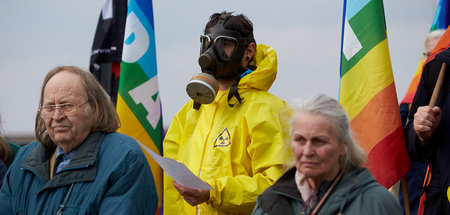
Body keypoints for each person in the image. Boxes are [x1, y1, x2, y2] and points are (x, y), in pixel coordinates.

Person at [163, 11, 293, 214]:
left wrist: (213, 193)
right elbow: (173, 191)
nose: (212, 53)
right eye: (207, 44)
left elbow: (276, 186)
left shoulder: (269, 111)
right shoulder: (190, 112)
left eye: (225, 45)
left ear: (248, 52)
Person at [0, 66, 158, 214]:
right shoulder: (24, 159)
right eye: (49, 107)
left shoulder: (124, 158)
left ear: (94, 109)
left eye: (67, 105)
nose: (57, 116)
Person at [252, 94, 402, 215]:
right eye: (300, 140)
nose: (307, 151)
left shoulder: (376, 203)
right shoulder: (269, 203)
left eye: (319, 141)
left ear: (343, 145)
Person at [398, 29, 445, 215]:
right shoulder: (412, 99)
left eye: (443, 53)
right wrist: (419, 134)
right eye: (431, 54)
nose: (438, 61)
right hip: (414, 189)